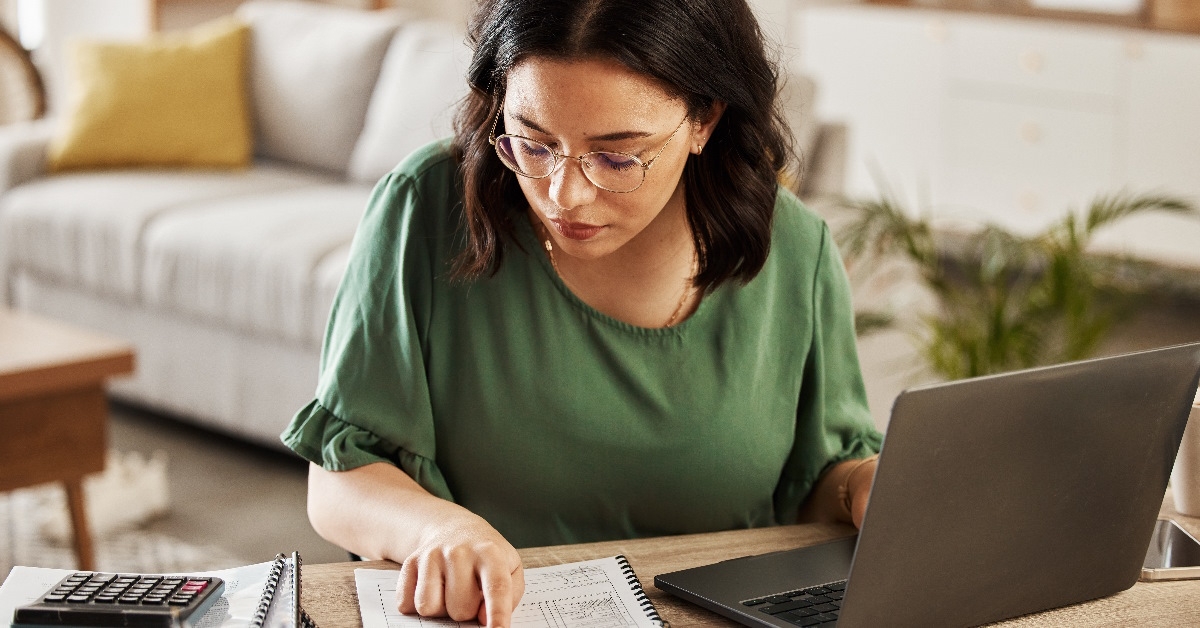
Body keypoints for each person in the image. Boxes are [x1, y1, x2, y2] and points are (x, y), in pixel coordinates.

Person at [281, 0, 883, 626]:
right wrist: (438, 532)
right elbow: (339, 479)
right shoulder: (426, 209)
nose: (562, 195)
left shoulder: (796, 251)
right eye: (533, 143)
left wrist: (861, 486)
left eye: (618, 157)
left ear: (705, 119)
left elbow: (821, 483)